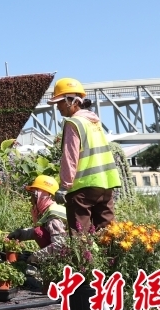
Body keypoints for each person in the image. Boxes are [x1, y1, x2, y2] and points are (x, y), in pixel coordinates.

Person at [49, 77, 120, 233]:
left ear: (71, 101)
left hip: (82, 188)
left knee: (80, 239)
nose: (58, 107)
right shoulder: (94, 121)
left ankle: (85, 259)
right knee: (108, 235)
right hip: (105, 185)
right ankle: (113, 258)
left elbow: (70, 157)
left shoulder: (73, 123)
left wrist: (63, 187)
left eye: (60, 102)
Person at [7, 175, 67, 259]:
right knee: (38, 231)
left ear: (44, 196)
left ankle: (54, 262)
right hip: (64, 250)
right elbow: (45, 231)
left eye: (34, 195)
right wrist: (20, 233)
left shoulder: (53, 216)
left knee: (38, 232)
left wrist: (35, 257)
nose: (31, 199)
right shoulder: (48, 210)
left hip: (68, 254)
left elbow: (59, 245)